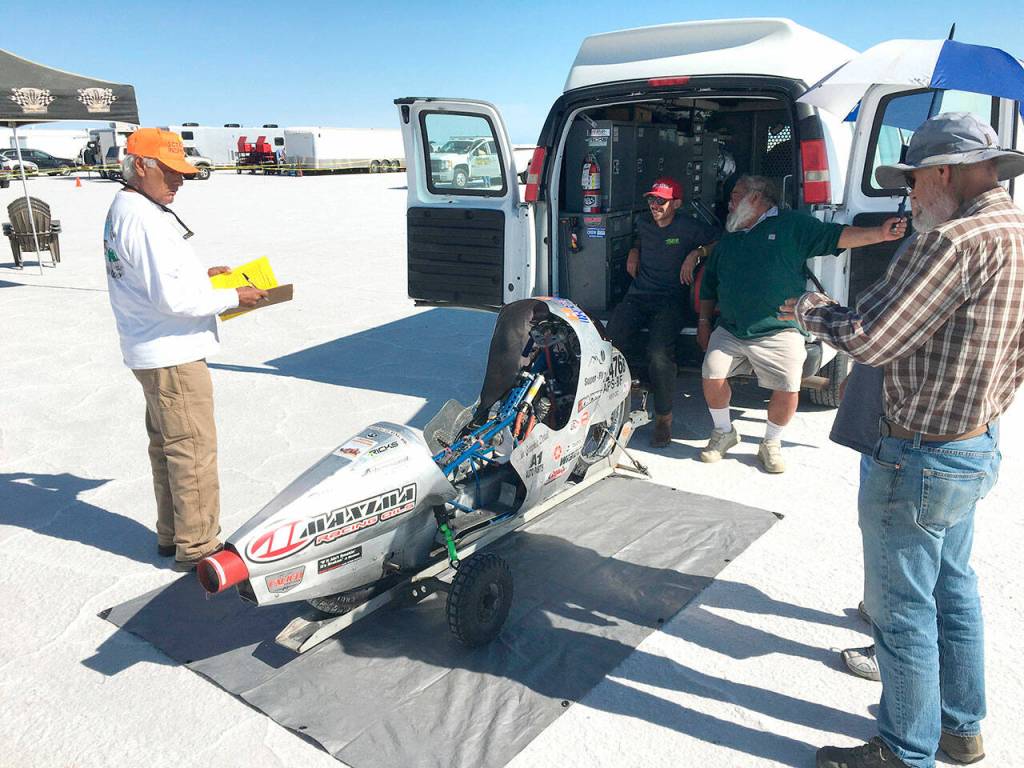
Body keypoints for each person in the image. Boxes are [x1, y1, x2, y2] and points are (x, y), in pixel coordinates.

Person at [780, 112, 1024, 768]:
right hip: (973, 444)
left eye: (913, 180)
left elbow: (870, 337)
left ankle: (904, 751)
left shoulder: (949, 241)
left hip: (918, 455)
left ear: (944, 172)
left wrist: (808, 309)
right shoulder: (1016, 230)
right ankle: (960, 729)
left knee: (901, 611)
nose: (909, 196)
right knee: (953, 589)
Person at [102, 128, 267, 572]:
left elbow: (156, 279)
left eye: (183, 173)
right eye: (170, 171)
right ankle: (199, 547)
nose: (179, 181)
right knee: (192, 451)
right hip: (171, 351)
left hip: (152, 348)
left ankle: (172, 533)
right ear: (141, 166)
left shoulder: (130, 207)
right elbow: (171, 298)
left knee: (169, 448)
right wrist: (233, 296)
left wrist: (203, 277)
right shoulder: (143, 218)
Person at [693, 175, 905, 473]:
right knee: (711, 374)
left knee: (789, 386)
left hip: (780, 328)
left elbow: (838, 236)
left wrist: (881, 233)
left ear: (756, 198)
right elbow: (709, 286)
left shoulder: (792, 225)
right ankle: (724, 432)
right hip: (731, 328)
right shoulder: (731, 236)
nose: (729, 202)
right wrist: (704, 322)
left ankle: (771, 443)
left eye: (736, 195)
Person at [606, 177, 720, 447]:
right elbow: (639, 237)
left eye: (661, 201)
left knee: (658, 353)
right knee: (608, 345)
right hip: (638, 297)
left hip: (670, 301)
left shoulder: (689, 227)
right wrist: (634, 250)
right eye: (651, 199)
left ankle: (663, 419)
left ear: (676, 204)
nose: (654, 205)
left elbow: (722, 242)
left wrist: (697, 253)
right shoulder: (644, 223)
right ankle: (608, 407)